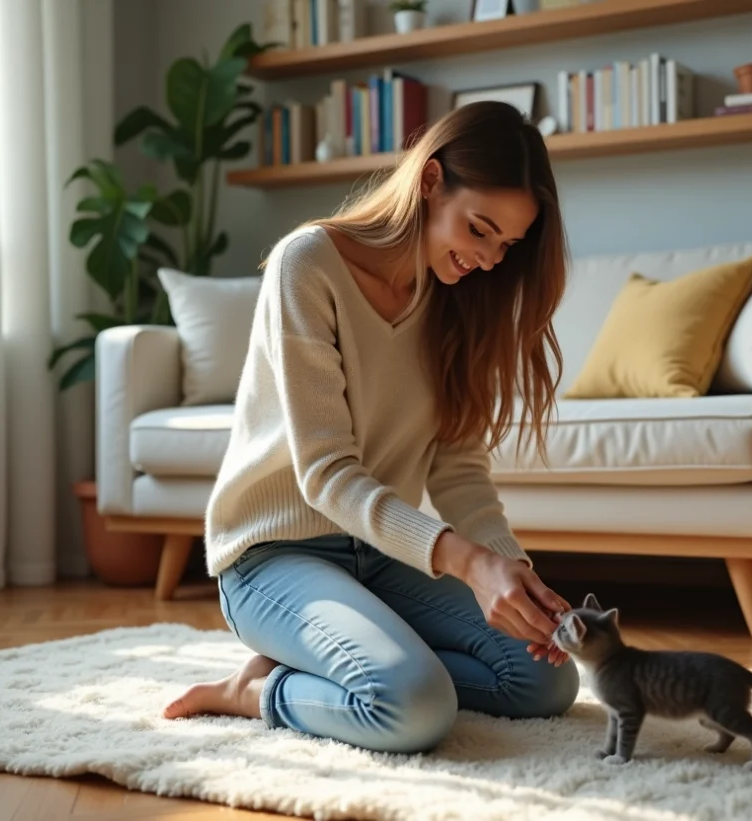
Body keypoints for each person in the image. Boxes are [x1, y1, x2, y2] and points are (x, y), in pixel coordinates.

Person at [162, 101, 580, 755]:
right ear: (431, 180)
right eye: (480, 229)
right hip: (273, 555)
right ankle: (254, 692)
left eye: (507, 244)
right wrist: (467, 563)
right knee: (413, 706)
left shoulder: (458, 299)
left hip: (379, 556)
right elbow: (327, 475)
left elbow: (459, 469)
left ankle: (364, 660)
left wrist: (514, 578)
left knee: (542, 682)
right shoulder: (308, 265)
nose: (491, 259)